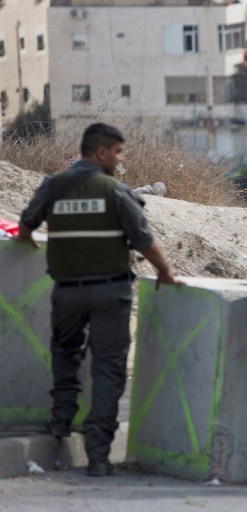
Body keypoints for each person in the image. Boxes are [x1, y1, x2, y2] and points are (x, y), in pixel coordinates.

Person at [15, 122, 183, 477]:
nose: (120, 160)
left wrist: (29, 238)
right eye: (118, 152)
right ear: (102, 151)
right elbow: (143, 240)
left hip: (67, 292)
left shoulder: (54, 186)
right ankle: (98, 457)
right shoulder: (116, 191)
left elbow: (26, 224)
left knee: (65, 356)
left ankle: (61, 424)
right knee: (108, 370)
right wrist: (166, 272)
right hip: (110, 294)